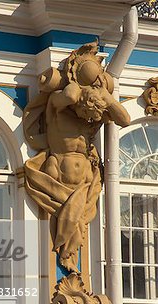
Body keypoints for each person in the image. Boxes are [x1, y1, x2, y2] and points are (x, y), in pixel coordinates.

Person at [23, 41, 131, 273]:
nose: (90, 120)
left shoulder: (90, 116)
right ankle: (66, 256)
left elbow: (125, 120)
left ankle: (69, 255)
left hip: (85, 182)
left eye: (95, 117)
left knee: (77, 223)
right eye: (87, 114)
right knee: (68, 223)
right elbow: (69, 97)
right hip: (58, 173)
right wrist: (79, 83)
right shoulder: (57, 106)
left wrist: (108, 98)